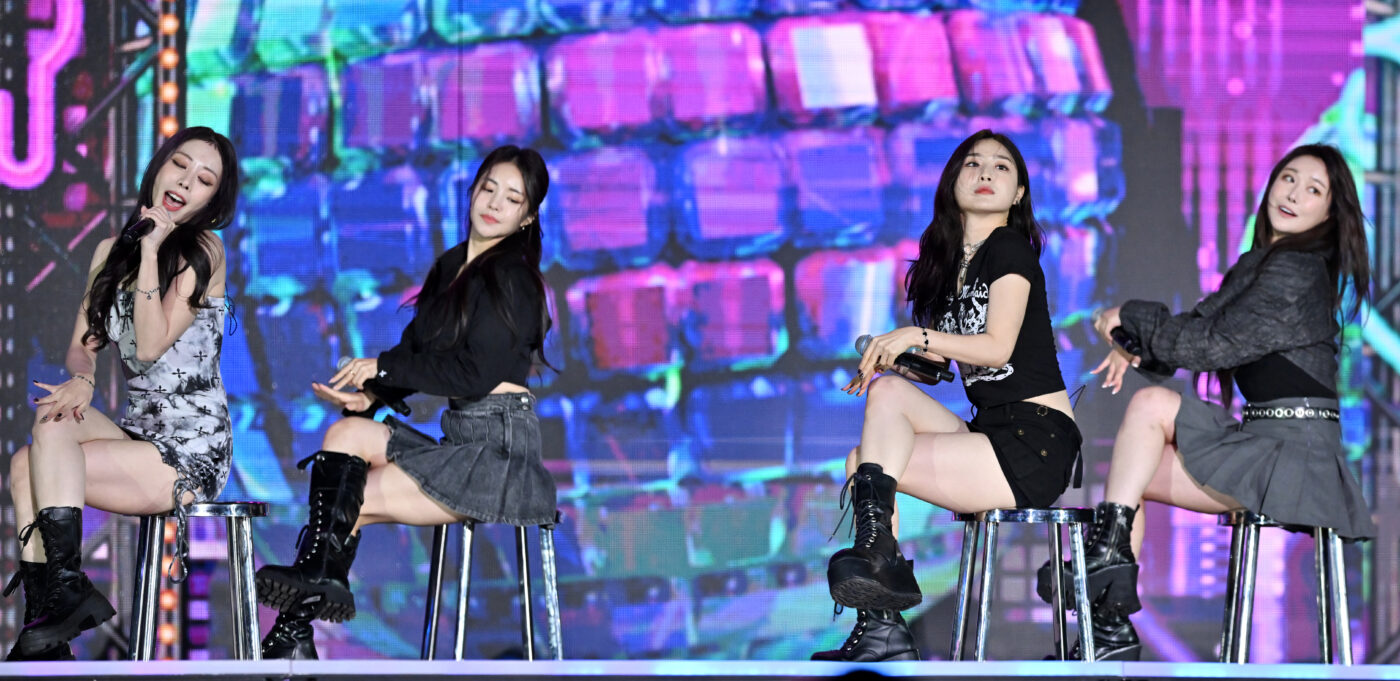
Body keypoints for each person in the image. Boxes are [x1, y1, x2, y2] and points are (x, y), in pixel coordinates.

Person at [1036, 143, 1377, 660]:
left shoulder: (1297, 271)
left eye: (1313, 190)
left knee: (1152, 405)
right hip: (1265, 441)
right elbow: (1198, 327)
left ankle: (1105, 564)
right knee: (1132, 475)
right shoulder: (1262, 265)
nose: (1293, 194)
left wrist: (1129, 315)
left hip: (1294, 453)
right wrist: (1133, 341)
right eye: (1288, 178)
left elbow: (1209, 346)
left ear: (1330, 213)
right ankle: (1108, 625)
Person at [254, 145, 557, 659]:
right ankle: (310, 604)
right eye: (488, 188)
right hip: (459, 440)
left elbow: (475, 375)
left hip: (500, 453)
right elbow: (419, 351)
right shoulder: (452, 266)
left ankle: (296, 627)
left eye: (512, 198)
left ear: (527, 216)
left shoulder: (513, 278)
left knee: (343, 509)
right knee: (346, 435)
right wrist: (371, 396)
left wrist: (381, 369)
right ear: (472, 190)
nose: (494, 204)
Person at [813, 130, 1084, 662]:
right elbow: (940, 368)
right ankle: (883, 620)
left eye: (1001, 167)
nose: (985, 173)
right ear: (952, 181)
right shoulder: (948, 266)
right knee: (875, 424)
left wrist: (914, 334)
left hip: (1035, 441)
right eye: (973, 164)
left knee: (869, 460)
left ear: (1019, 193)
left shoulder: (1009, 248)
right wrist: (890, 356)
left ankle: (879, 574)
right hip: (991, 432)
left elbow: (996, 346)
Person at [5, 127, 240, 661]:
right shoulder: (109, 251)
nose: (186, 181)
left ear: (210, 201)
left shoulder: (205, 250)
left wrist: (152, 249)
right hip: (138, 433)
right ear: (159, 166)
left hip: (190, 452)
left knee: (36, 459)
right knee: (43, 432)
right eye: (180, 164)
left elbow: (151, 343)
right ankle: (51, 613)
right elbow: (82, 345)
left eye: (204, 180)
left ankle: (57, 610)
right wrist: (83, 378)